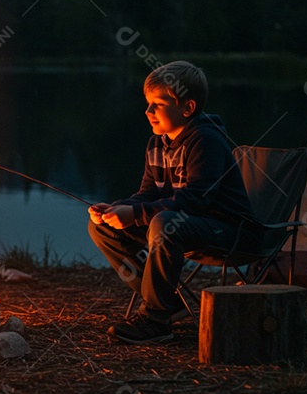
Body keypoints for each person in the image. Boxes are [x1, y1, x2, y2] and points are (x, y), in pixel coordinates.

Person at [87, 60, 258, 344]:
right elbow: (148, 194)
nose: (148, 111)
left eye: (158, 104)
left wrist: (137, 214)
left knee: (164, 223)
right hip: (185, 227)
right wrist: (118, 209)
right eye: (147, 103)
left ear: (187, 108)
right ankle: (169, 304)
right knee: (102, 228)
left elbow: (196, 200)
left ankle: (156, 319)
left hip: (229, 231)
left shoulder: (206, 141)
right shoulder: (157, 143)